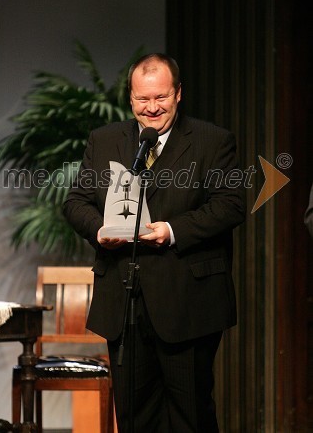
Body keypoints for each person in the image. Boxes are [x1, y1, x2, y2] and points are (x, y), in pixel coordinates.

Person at [63, 53, 246, 432]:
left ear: (178, 94)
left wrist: (171, 230)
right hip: (125, 303)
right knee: (134, 416)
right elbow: (75, 202)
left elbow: (230, 206)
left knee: (189, 415)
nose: (152, 108)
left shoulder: (213, 141)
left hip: (188, 302)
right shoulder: (106, 140)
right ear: (130, 99)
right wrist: (100, 230)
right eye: (142, 100)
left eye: (160, 98)